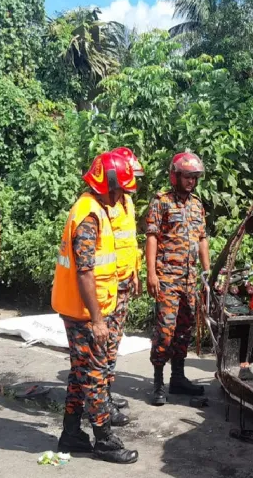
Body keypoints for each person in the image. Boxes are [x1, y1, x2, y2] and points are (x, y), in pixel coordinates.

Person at [51, 151, 138, 464]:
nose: (122, 196)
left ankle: (71, 434)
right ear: (107, 185)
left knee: (80, 373)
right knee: (96, 376)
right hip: (85, 314)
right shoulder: (89, 215)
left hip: (85, 309)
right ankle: (104, 441)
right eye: (120, 190)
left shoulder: (96, 207)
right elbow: (85, 271)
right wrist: (98, 320)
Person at [146, 152, 211, 406]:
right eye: (187, 177)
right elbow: (152, 237)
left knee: (184, 330)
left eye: (194, 178)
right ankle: (158, 383)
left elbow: (202, 239)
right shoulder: (161, 201)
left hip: (189, 279)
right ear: (175, 177)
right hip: (167, 278)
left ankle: (178, 378)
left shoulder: (197, 205)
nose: (191, 182)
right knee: (165, 332)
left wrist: (207, 272)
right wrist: (151, 273)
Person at [102, 147, 145, 424]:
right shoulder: (105, 204)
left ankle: (105, 392)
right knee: (105, 342)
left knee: (115, 340)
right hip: (109, 284)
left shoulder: (126, 201)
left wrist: (135, 273)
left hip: (125, 279)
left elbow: (129, 241)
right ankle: (100, 400)